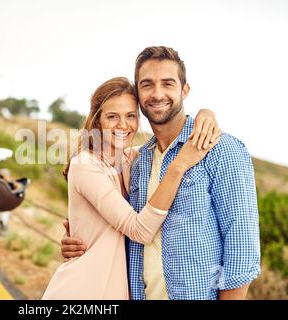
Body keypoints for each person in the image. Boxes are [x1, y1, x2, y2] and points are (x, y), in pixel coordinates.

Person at [61, 46, 261, 300]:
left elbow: (241, 245)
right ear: (138, 92)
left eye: (167, 83)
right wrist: (78, 237)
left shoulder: (222, 149)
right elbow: (126, 226)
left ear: (184, 90)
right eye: (147, 85)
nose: (157, 94)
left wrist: (206, 112)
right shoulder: (137, 160)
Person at [42, 76, 221, 299]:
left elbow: (166, 141)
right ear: (97, 121)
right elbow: (140, 230)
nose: (123, 125)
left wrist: (206, 114)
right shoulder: (85, 165)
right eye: (112, 117)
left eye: (131, 116)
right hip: (82, 292)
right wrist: (179, 166)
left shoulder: (130, 158)